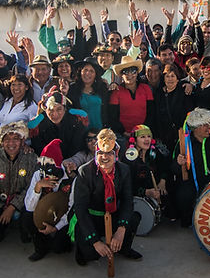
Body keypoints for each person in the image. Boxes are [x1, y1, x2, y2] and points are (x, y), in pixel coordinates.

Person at [71, 129, 142, 265]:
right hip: (92, 217)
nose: (104, 157)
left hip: (113, 213)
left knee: (133, 218)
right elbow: (80, 208)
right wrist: (96, 242)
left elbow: (128, 200)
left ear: (115, 154)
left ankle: (123, 247)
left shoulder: (124, 170)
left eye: (109, 153)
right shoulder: (85, 172)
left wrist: (121, 229)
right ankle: (85, 250)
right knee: (91, 253)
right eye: (101, 153)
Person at [0, 122, 38, 244]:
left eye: (16, 139)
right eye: (7, 139)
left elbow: (30, 188)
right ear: (1, 142)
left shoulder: (31, 159)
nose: (11, 143)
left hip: (22, 202)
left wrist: (12, 207)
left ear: (22, 141)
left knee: (27, 229)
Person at [22, 139, 73, 261]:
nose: (48, 176)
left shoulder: (70, 179)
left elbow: (72, 208)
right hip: (45, 214)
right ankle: (40, 248)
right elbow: (29, 207)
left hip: (62, 217)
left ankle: (59, 242)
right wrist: (38, 187)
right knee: (27, 217)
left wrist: (56, 227)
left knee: (58, 248)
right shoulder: (38, 176)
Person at [173, 108, 210, 226]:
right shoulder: (183, 143)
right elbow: (173, 169)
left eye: (209, 124)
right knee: (184, 194)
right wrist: (178, 163)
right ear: (196, 128)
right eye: (205, 125)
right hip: (190, 182)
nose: (209, 128)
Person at [30, 94, 88, 159]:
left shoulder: (76, 121)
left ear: (65, 109)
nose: (55, 114)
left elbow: (77, 146)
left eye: (59, 109)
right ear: (45, 110)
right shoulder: (38, 127)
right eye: (51, 110)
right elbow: (38, 149)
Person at [108, 57, 154, 134]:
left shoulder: (146, 88)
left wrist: (143, 130)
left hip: (144, 133)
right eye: (125, 72)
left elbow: (151, 112)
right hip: (123, 134)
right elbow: (113, 117)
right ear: (121, 75)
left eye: (133, 71)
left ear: (137, 73)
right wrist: (124, 132)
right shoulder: (116, 92)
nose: (129, 74)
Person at [153, 64, 194, 150]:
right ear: (163, 78)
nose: (170, 79)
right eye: (167, 76)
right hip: (163, 136)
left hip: (180, 135)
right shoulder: (159, 94)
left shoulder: (184, 92)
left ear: (177, 78)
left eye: (173, 76)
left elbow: (190, 113)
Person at [68, 58, 110, 131]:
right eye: (85, 70)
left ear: (96, 74)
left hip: (100, 131)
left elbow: (108, 110)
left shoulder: (102, 88)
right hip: (80, 132)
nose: (88, 73)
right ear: (80, 72)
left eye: (91, 71)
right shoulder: (72, 88)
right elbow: (68, 109)